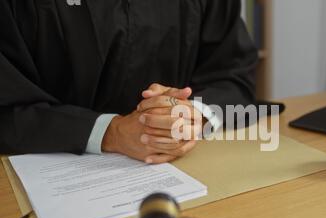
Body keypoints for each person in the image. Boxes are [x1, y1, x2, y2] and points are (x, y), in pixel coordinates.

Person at [0, 0, 258, 163]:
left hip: (182, 172)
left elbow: (234, 76)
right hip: (53, 172)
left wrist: (191, 114)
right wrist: (111, 131)